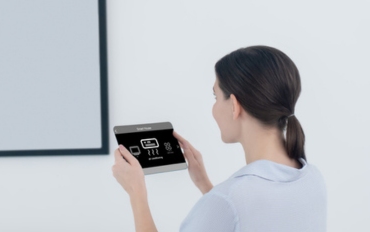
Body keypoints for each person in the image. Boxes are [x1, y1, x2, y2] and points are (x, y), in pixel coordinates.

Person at [112, 45, 327, 232]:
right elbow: (249, 219)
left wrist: (136, 192)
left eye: (216, 97)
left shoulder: (227, 201)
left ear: (234, 105)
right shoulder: (312, 179)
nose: (214, 108)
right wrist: (204, 184)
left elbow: (232, 208)